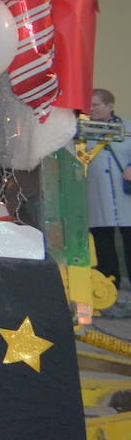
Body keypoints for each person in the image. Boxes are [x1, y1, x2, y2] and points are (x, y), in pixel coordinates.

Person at [86, 89, 129, 290]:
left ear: (110, 105)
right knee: (103, 243)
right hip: (96, 196)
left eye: (96, 104)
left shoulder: (127, 128)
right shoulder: (82, 130)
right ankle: (110, 287)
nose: (91, 108)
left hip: (125, 197)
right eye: (89, 104)